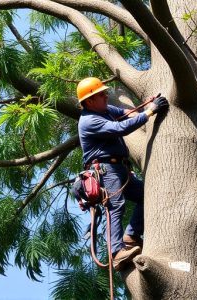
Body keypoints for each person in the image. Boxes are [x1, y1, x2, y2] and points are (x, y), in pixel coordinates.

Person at [77, 77, 169, 271]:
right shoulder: (89, 121)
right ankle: (116, 253)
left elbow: (127, 114)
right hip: (105, 169)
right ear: (89, 101)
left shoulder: (105, 110)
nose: (105, 96)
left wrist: (146, 106)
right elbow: (120, 128)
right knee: (115, 205)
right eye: (100, 94)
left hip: (120, 168)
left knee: (147, 195)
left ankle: (132, 236)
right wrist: (150, 111)